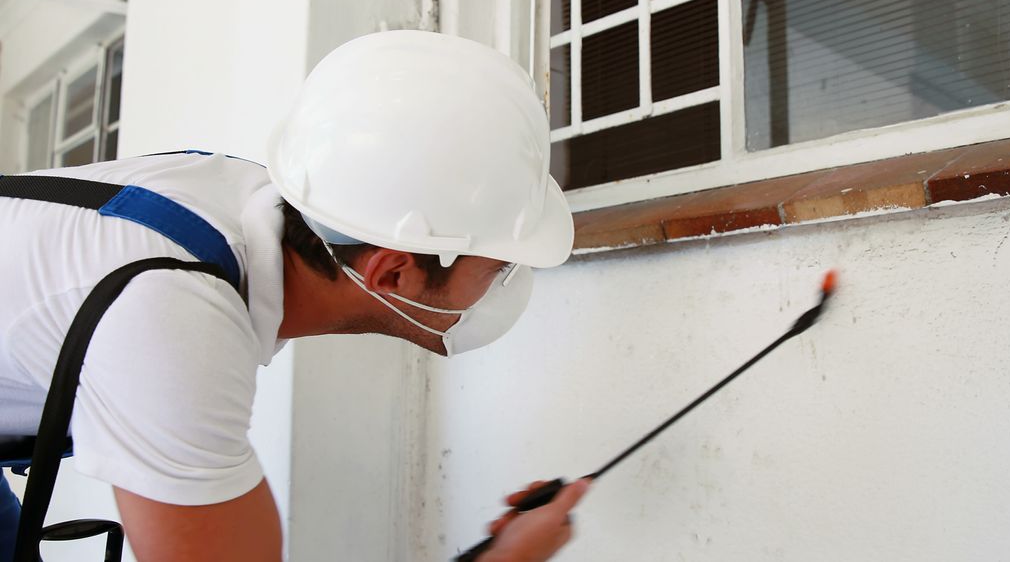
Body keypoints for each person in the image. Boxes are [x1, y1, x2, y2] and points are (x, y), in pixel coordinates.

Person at [0, 30, 589, 562]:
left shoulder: (241, 198)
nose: (508, 282)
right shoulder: (172, 317)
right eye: (500, 264)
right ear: (392, 274)